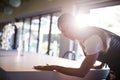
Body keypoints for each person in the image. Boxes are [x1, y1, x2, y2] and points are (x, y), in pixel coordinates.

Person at [34, 13, 120, 80]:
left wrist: (54, 67)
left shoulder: (91, 39)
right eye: (63, 31)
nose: (67, 32)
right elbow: (105, 49)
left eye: (69, 27)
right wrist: (100, 66)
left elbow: (81, 73)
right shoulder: (84, 36)